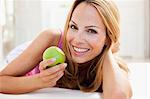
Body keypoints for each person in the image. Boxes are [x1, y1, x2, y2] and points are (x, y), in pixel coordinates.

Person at [0, 0, 132, 98]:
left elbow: (117, 96)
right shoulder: (51, 38)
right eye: (73, 27)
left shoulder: (112, 64)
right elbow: (2, 80)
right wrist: (40, 81)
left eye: (91, 31)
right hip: (25, 53)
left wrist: (108, 47)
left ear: (108, 37)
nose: (77, 39)